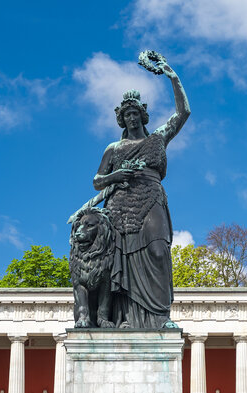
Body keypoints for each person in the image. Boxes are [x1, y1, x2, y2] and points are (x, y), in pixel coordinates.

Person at [93, 60, 190, 328]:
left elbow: (183, 112)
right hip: (120, 205)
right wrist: (116, 176)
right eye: (127, 115)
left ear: (142, 116)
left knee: (158, 251)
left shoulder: (157, 138)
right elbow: (97, 181)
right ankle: (126, 318)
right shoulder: (113, 148)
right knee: (121, 260)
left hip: (151, 198)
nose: (131, 118)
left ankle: (160, 317)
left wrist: (172, 76)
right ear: (121, 119)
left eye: (135, 114)